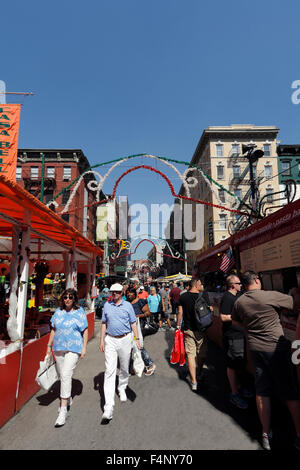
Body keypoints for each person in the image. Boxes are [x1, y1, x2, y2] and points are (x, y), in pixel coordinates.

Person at [232, 271, 300, 450]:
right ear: (256, 280)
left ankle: (266, 434)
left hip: (256, 349)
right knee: (289, 391)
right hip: (277, 349)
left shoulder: (240, 302)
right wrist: (293, 291)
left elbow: (235, 322)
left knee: (262, 391)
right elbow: (296, 303)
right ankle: (299, 434)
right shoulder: (270, 296)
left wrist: (248, 328)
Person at [99, 283, 141, 424]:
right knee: (109, 371)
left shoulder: (127, 306)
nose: (115, 294)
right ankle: (108, 407)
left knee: (124, 368)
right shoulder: (107, 305)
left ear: (121, 293)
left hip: (125, 339)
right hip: (110, 339)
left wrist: (136, 339)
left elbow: (133, 323)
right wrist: (101, 340)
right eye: (113, 292)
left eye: (117, 292)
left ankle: (122, 387)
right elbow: (103, 323)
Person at [47, 288, 88, 428]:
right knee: (62, 375)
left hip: (74, 347)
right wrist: (48, 346)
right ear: (62, 299)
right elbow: (53, 329)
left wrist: (84, 348)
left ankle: (63, 410)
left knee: (65, 373)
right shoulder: (58, 312)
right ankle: (68, 396)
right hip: (58, 347)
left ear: (74, 298)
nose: (68, 299)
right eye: (65, 297)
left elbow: (85, 329)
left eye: (70, 297)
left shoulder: (79, 312)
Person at [220, 274, 252, 409]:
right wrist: (238, 322)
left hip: (238, 335)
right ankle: (234, 394)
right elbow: (223, 317)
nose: (241, 285)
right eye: (239, 283)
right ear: (232, 285)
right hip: (232, 336)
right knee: (233, 365)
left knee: (239, 363)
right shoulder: (227, 297)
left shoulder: (236, 296)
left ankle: (239, 388)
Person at [177, 278, 211, 391]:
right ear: (196, 285)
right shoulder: (204, 296)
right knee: (201, 353)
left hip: (188, 329)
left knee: (190, 355)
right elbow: (209, 310)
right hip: (201, 329)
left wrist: (178, 326)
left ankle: (193, 382)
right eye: (201, 284)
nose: (202, 285)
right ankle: (199, 372)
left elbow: (180, 313)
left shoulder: (183, 297)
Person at [126, 287, 156, 376]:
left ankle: (149, 364)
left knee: (138, 345)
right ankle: (133, 367)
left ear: (134, 293)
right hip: (129, 328)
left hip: (139, 327)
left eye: (130, 293)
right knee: (131, 346)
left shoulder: (140, 301)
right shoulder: (127, 303)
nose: (129, 294)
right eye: (127, 293)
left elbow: (148, 313)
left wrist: (137, 316)